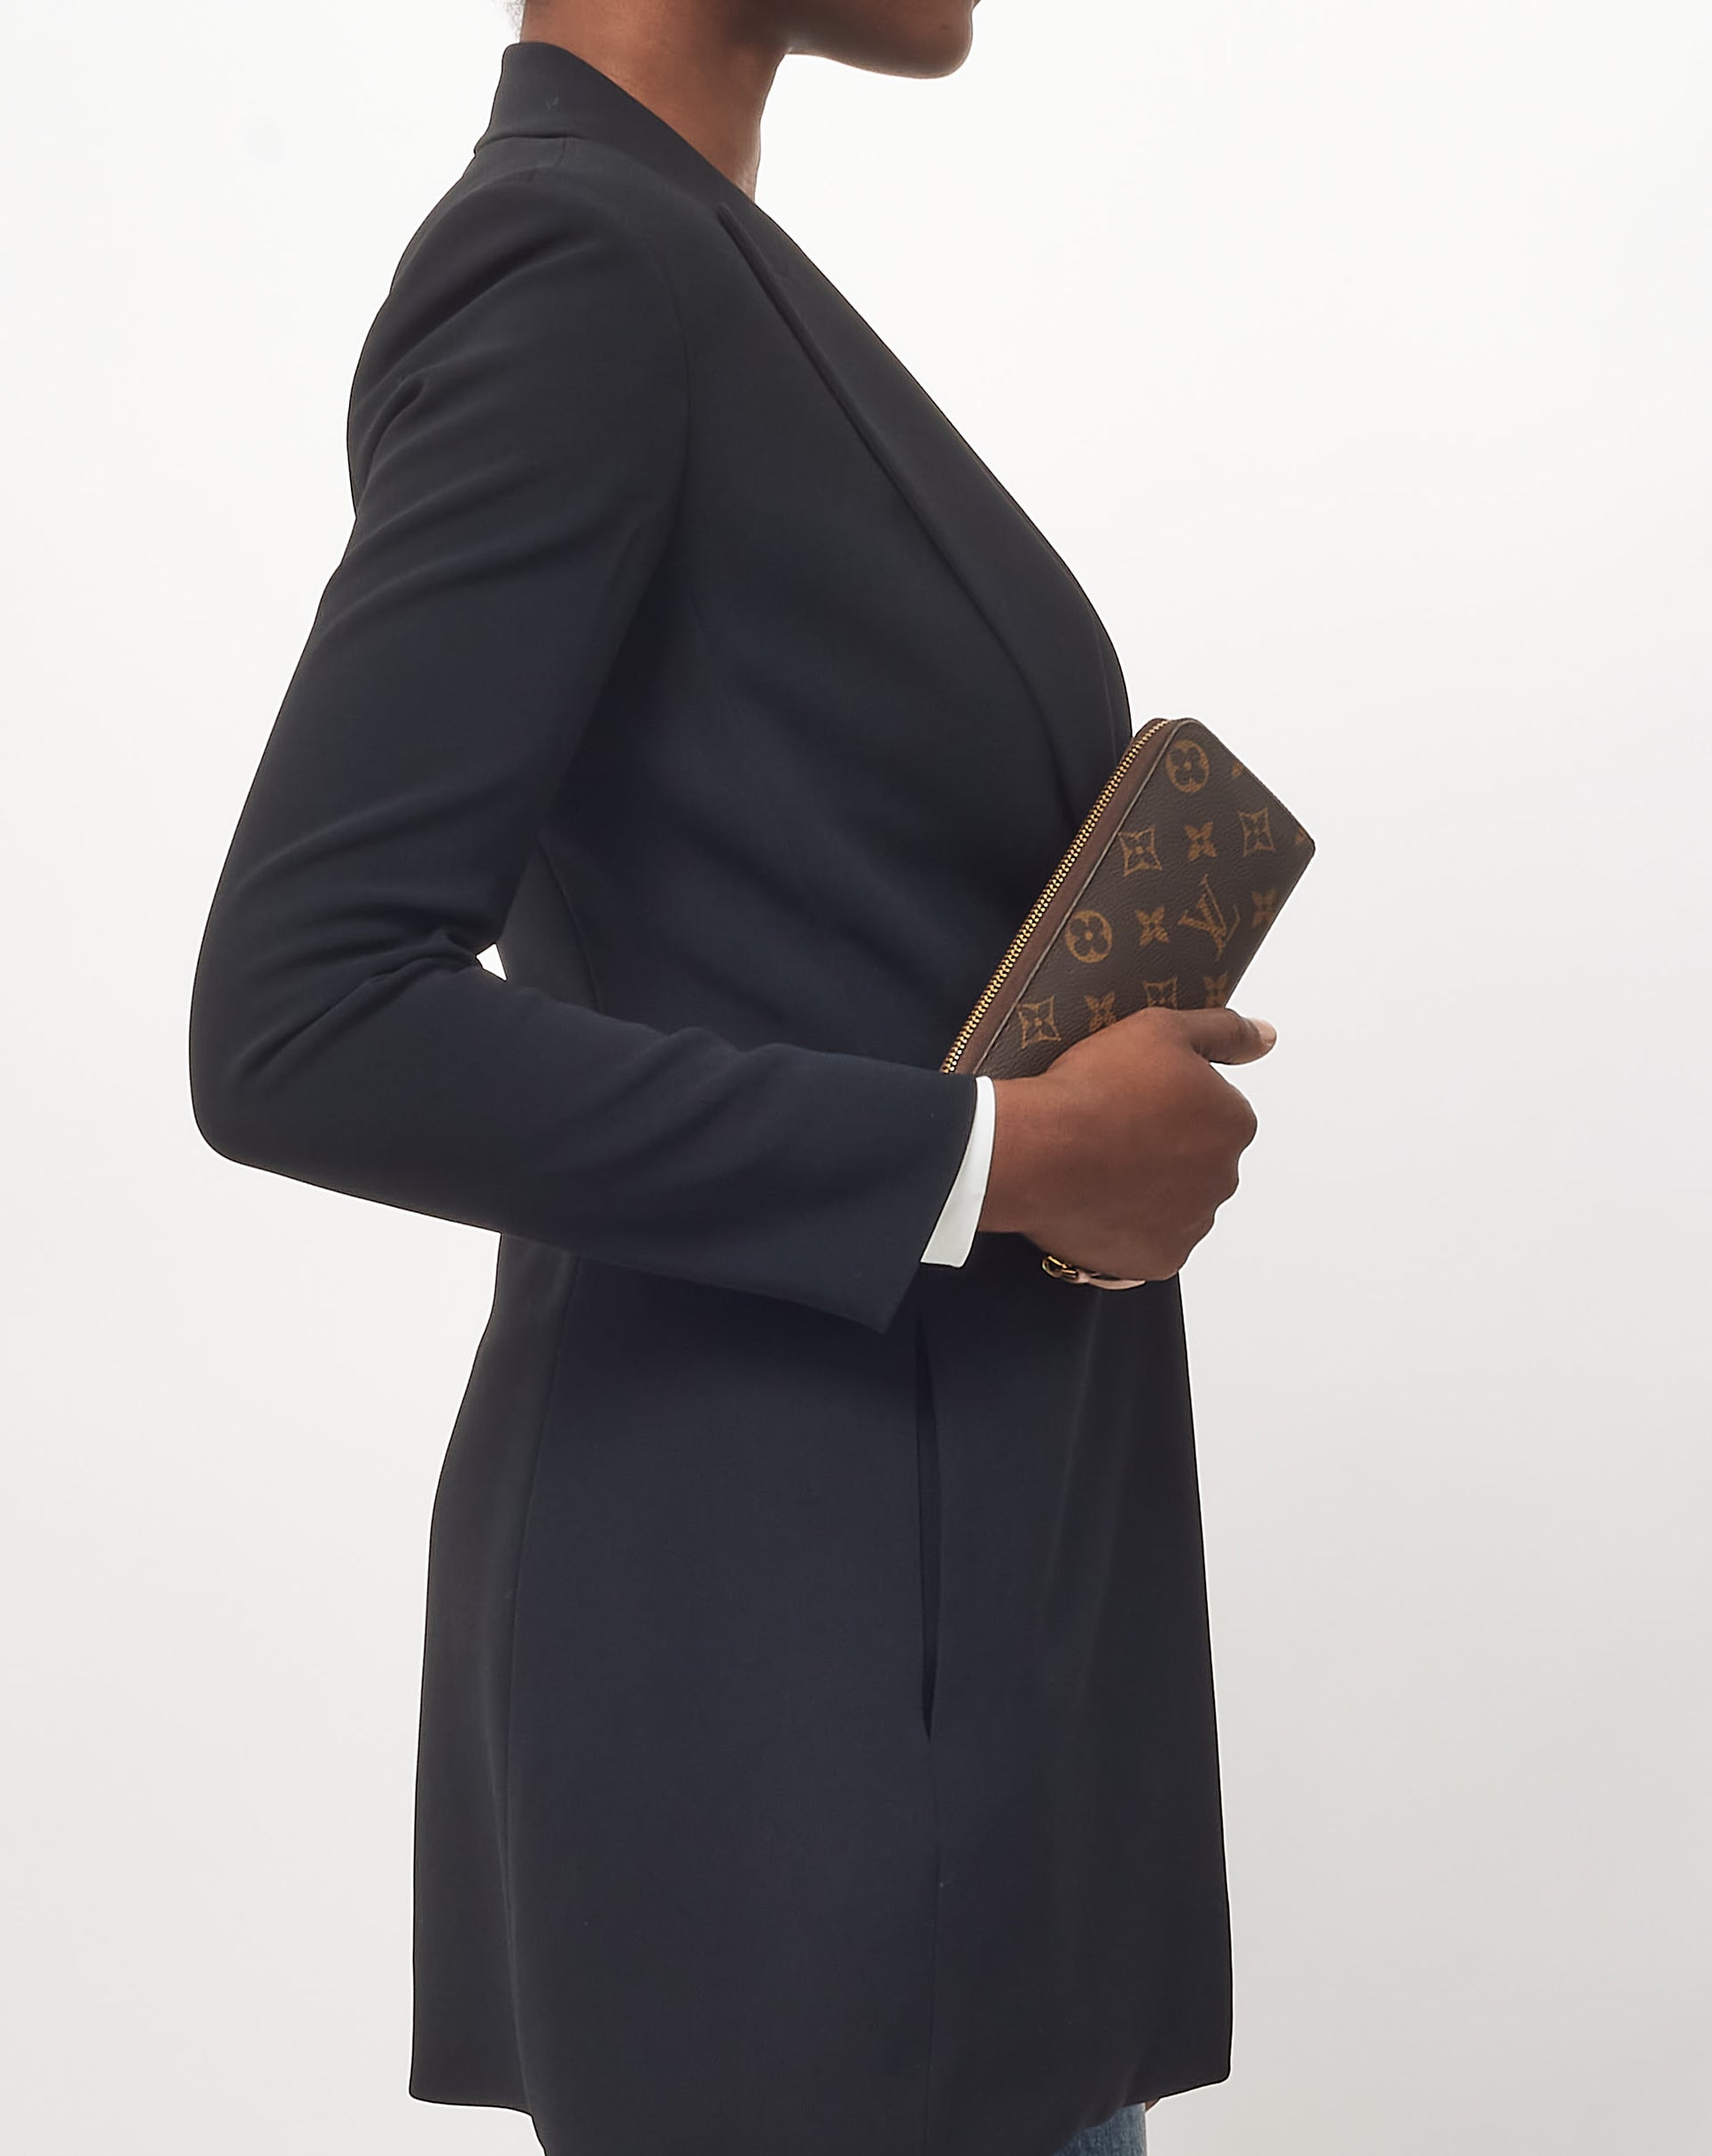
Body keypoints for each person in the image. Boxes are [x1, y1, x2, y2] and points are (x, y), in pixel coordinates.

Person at [188, 4, 1278, 2152]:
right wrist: (999, 1151)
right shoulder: (581, 267)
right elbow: (300, 1015)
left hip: (953, 1706)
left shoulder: (693, 273)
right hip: (782, 1724)